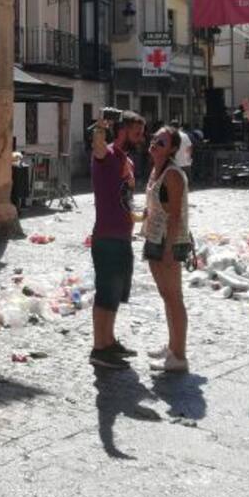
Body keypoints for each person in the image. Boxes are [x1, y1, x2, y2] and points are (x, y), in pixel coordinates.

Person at [89, 109, 145, 370]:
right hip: (107, 238)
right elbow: (98, 146)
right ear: (122, 130)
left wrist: (142, 218)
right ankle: (99, 349)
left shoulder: (127, 160)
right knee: (106, 294)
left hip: (123, 236)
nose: (141, 137)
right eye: (137, 132)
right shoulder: (108, 154)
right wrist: (100, 127)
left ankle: (109, 341)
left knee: (115, 295)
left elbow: (125, 200)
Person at [141, 126, 192, 373]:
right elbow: (156, 202)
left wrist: (170, 250)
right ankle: (172, 346)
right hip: (154, 236)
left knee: (174, 297)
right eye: (154, 139)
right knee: (166, 296)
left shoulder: (172, 174)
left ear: (172, 148)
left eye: (160, 142)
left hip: (167, 241)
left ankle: (179, 356)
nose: (154, 144)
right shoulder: (156, 170)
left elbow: (174, 216)